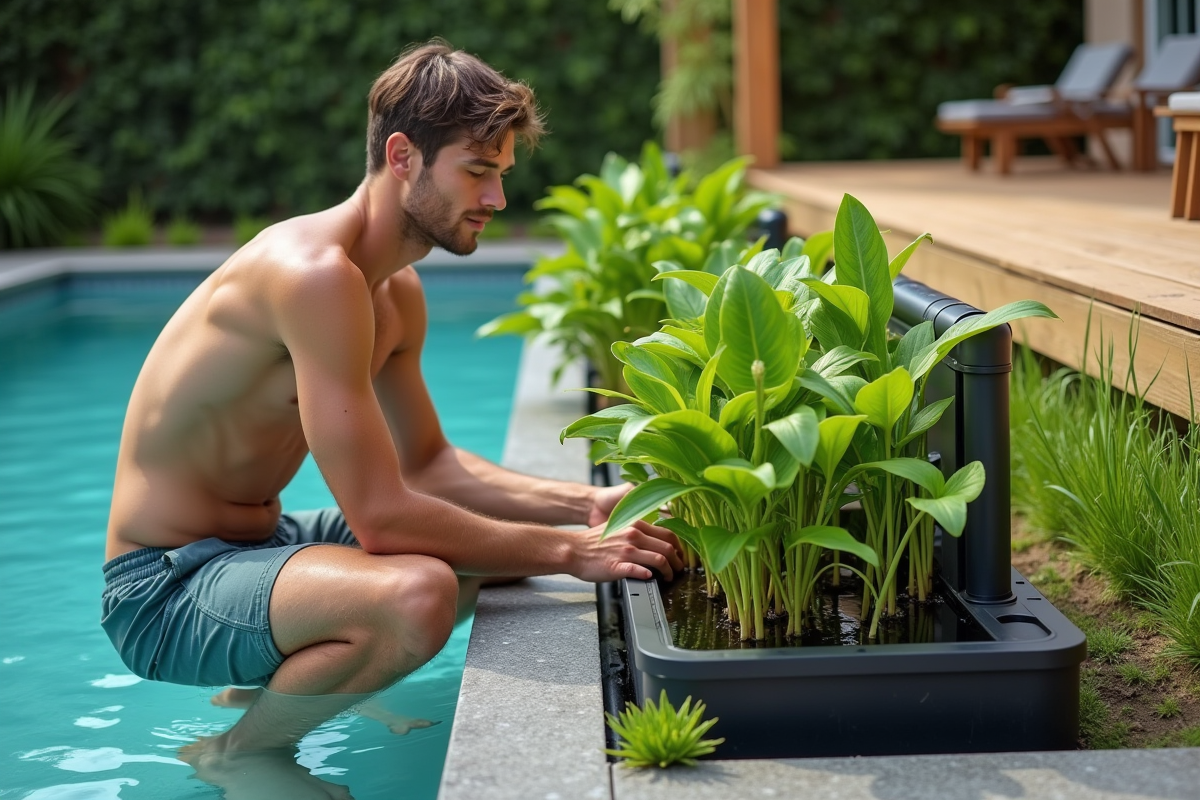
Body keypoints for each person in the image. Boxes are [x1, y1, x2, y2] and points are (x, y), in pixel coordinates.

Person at [100, 40, 680, 793]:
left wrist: (588, 503)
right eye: (477, 171)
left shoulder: (393, 291)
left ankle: (268, 687)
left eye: (501, 174)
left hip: (259, 544)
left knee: (468, 557)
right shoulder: (313, 277)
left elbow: (431, 467)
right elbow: (379, 517)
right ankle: (238, 753)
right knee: (420, 591)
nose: (497, 200)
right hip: (163, 588)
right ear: (403, 155)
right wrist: (571, 550)